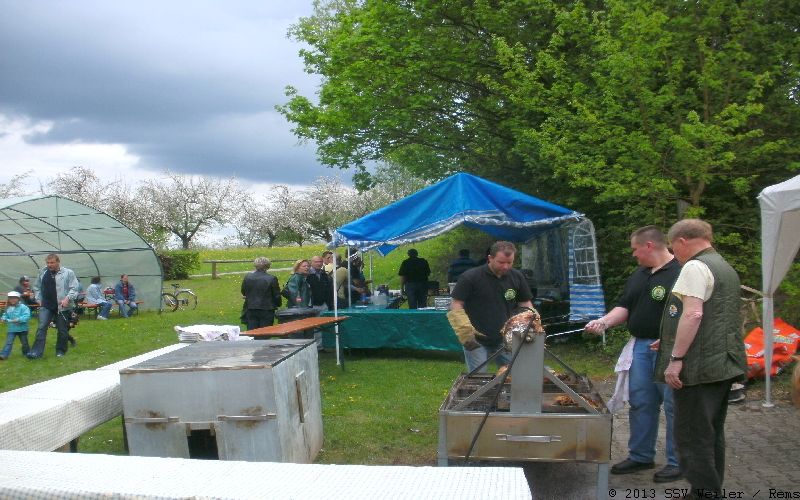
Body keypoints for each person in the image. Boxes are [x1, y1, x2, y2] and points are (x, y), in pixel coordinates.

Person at [654, 219, 746, 499]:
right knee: (711, 432)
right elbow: (716, 317)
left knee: (692, 435)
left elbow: (693, 314)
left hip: (699, 367)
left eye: (673, 247)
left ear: (682, 241)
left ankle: (704, 494)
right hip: (722, 364)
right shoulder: (724, 266)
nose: (674, 254)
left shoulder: (695, 266)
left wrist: (676, 357)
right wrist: (670, 337)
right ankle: (709, 491)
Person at [584, 226, 681, 482]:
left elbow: (692, 313)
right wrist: (603, 322)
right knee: (640, 402)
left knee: (674, 406)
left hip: (669, 349)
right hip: (640, 347)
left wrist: (673, 339)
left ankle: (678, 461)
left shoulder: (681, 272)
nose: (633, 254)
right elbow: (625, 306)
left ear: (649, 246)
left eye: (635, 249)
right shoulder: (639, 274)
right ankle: (641, 456)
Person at [448, 241, 534, 372]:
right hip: (476, 340)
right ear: (490, 258)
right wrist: (464, 330)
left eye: (509, 262)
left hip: (505, 338)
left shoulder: (516, 276)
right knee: (479, 379)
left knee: (519, 373)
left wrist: (531, 323)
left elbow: (525, 302)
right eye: (501, 262)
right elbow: (456, 303)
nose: (505, 267)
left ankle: (508, 393)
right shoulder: (470, 277)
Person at [29, 253, 80, 359]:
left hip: (62, 306)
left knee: (62, 330)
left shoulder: (68, 273)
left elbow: (74, 288)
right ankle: (36, 352)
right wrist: (39, 300)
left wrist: (67, 298)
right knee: (41, 327)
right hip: (46, 305)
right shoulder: (42, 272)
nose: (49, 265)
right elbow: (36, 287)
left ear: (58, 262)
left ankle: (60, 350)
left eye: (52, 262)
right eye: (48, 263)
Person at [241, 257, 281, 330]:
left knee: (252, 331)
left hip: (251, 307)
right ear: (268, 266)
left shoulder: (248, 277)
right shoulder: (271, 278)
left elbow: (243, 292)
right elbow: (276, 295)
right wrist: (278, 304)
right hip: (267, 309)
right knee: (265, 332)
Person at [1, 291, 31, 360]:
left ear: (18, 299)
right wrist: (3, 318)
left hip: (22, 329)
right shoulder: (8, 308)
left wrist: (18, 319)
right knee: (9, 342)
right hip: (12, 329)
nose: (12, 300)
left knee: (24, 343)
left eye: (14, 298)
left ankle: (27, 353)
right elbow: (5, 315)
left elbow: (27, 316)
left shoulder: (23, 307)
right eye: (11, 298)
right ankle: (4, 355)